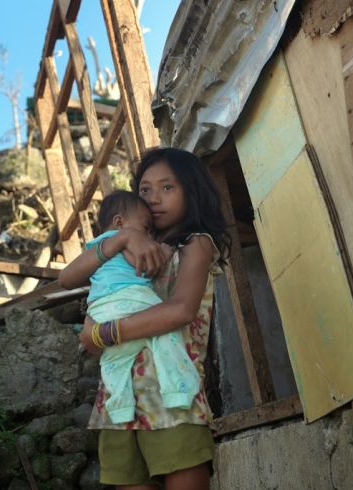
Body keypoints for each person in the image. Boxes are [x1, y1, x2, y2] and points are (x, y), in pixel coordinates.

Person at [59, 148, 230, 490]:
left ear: (191, 191)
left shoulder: (195, 245)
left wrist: (105, 333)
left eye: (168, 188)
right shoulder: (124, 249)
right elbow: (66, 279)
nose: (154, 199)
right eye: (145, 190)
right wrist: (123, 237)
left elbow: (180, 310)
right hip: (120, 398)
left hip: (171, 392)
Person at [83, 189, 201, 425]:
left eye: (167, 187)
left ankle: (119, 409)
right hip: (131, 300)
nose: (148, 234)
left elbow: (68, 278)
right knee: (167, 340)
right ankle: (178, 391)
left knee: (113, 364)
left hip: (99, 311)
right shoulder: (132, 243)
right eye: (145, 228)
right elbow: (146, 266)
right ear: (120, 223)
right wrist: (164, 250)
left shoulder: (95, 249)